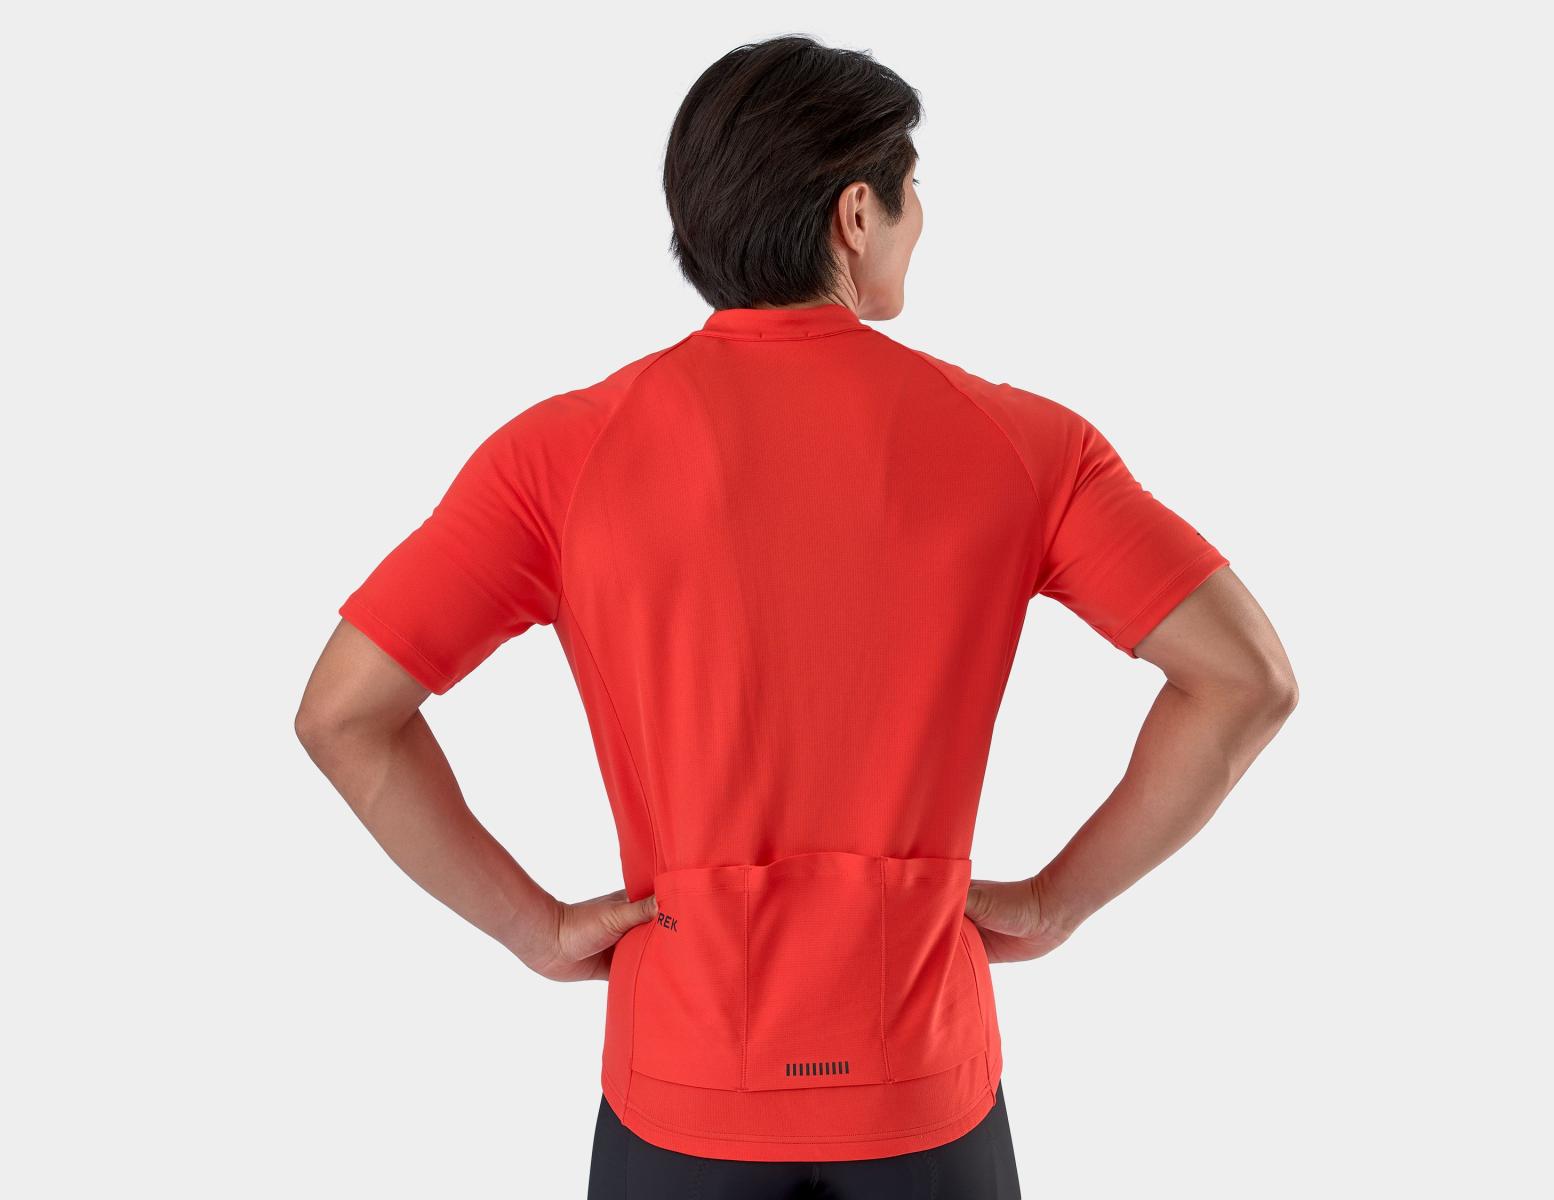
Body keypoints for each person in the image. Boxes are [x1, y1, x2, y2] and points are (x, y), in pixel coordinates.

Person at [294, 33, 1298, 1200]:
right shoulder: (1022, 445)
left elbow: (344, 715)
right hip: (920, 1085)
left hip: (680, 1083)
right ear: (856, 214)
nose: (920, 220)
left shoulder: (561, 454)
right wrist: (1053, 905)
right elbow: (1245, 680)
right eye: (913, 191)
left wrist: (536, 929)